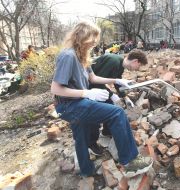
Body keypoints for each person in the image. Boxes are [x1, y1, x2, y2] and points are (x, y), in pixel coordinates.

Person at [51, 22, 153, 190]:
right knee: (116, 113)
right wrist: (86, 93)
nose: (95, 43)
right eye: (93, 38)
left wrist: (117, 81)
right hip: (69, 105)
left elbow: (93, 79)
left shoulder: (82, 56)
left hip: (77, 103)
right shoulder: (68, 56)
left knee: (81, 135)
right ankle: (130, 161)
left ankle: (86, 171)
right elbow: (55, 88)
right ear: (82, 35)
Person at [88, 49, 148, 155]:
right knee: (97, 113)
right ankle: (91, 143)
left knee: (112, 107)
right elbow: (96, 82)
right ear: (135, 61)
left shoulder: (120, 64)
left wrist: (125, 97)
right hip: (88, 89)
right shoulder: (113, 61)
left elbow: (117, 81)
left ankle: (106, 131)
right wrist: (112, 95)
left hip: (97, 88)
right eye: (138, 67)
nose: (136, 70)